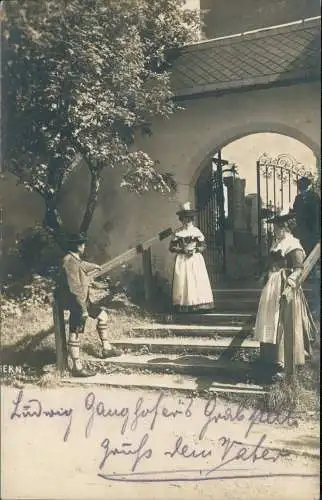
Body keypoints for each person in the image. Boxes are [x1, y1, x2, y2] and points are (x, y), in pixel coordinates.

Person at [254, 213, 316, 382]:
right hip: (272, 284)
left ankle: (283, 361)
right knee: (270, 319)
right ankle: (269, 358)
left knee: (282, 320)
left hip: (283, 286)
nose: (274, 231)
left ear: (284, 228)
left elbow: (299, 268)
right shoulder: (277, 243)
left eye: (276, 228)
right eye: (274, 228)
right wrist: (265, 275)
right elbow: (270, 262)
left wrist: (289, 282)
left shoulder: (293, 244)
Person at [55, 233, 121, 377]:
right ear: (78, 246)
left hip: (85, 300)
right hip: (77, 303)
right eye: (83, 244)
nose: (84, 246)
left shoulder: (75, 259)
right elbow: (74, 287)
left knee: (103, 316)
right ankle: (77, 367)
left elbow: (82, 265)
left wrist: (94, 266)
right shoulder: (68, 261)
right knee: (75, 332)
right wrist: (82, 308)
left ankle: (107, 348)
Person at [169, 202, 214, 312]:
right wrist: (182, 250)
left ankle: (198, 303)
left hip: (195, 259)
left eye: (189, 218)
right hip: (182, 260)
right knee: (183, 281)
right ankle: (184, 304)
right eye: (184, 218)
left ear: (192, 219)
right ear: (181, 219)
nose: (187, 220)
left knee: (196, 279)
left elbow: (203, 245)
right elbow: (171, 247)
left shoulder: (196, 231)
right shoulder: (178, 232)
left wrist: (195, 249)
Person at [292, 176, 320, 255]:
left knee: (313, 253)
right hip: (302, 231)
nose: (301, 190)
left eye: (302, 187)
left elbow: (317, 214)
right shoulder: (298, 198)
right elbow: (295, 211)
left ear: (307, 186)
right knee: (305, 251)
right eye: (300, 187)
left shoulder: (314, 197)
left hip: (312, 231)